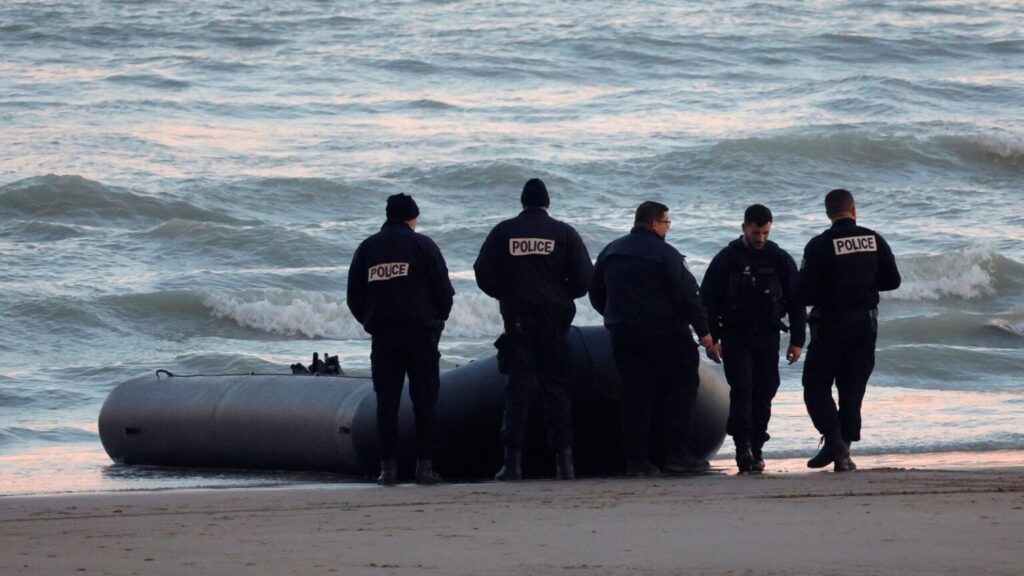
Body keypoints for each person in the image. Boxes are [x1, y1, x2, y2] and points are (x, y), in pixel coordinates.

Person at [473, 178, 593, 481]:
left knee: (517, 390)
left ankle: (512, 464)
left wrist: (507, 292)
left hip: (519, 321)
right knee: (557, 389)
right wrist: (561, 293)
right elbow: (584, 279)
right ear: (547, 203)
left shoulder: (504, 232)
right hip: (555, 321)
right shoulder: (564, 233)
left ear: (523, 202)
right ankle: (564, 465)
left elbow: (483, 273)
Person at [589, 201, 719, 477]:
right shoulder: (667, 255)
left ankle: (637, 462)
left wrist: (615, 317)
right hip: (666, 336)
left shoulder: (611, 251)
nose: (667, 228)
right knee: (681, 391)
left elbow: (596, 293)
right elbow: (688, 298)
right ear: (654, 224)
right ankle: (677, 456)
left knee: (635, 397)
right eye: (666, 223)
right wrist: (705, 333)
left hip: (624, 335)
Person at [347, 193, 455, 486]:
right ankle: (424, 468)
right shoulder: (423, 245)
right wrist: (437, 321)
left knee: (387, 403)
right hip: (421, 335)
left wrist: (371, 322)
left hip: (384, 337)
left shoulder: (367, 248)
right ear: (412, 218)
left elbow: (354, 296)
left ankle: (388, 471)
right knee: (425, 402)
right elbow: (444, 292)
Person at [700, 204, 806, 473]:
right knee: (742, 390)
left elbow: (796, 302)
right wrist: (712, 338)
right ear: (744, 228)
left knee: (766, 390)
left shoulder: (779, 258)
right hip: (736, 336)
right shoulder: (727, 258)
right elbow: (707, 301)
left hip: (768, 335)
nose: (761, 238)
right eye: (756, 233)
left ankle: (757, 446)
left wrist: (797, 341)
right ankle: (742, 448)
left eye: (766, 233)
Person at [800, 189, 900, 471]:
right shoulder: (873, 239)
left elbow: (804, 292)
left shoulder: (819, 245)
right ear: (854, 211)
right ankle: (842, 452)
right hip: (866, 324)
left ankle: (835, 442)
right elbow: (893, 280)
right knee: (852, 387)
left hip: (831, 324)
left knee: (816, 385)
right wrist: (864, 283)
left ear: (828, 214)